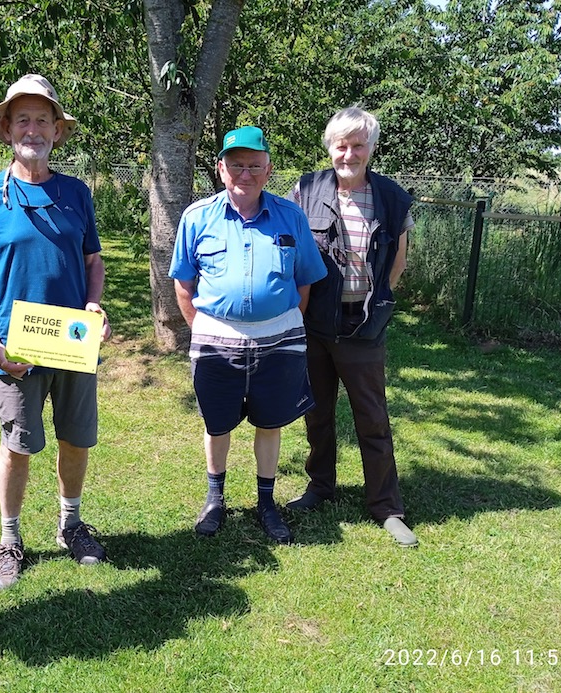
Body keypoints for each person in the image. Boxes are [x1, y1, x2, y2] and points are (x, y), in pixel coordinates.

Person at [0, 74, 110, 593]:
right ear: (7, 129)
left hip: (71, 340)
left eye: (42, 119)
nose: (33, 128)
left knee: (76, 438)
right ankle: (10, 539)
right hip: (15, 349)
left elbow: (94, 260)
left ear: (56, 131)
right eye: (22, 119)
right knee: (18, 444)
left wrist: (93, 303)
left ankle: (71, 523)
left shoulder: (75, 192)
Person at [169, 126, 327, 544]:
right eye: (236, 164)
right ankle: (215, 498)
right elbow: (184, 284)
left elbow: (305, 281)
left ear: (268, 169)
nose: (245, 173)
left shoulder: (291, 217)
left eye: (254, 165)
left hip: (279, 341)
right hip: (215, 341)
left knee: (270, 422)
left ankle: (266, 502)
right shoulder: (197, 217)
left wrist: (279, 322)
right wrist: (203, 329)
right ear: (221, 169)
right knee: (217, 424)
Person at [284, 106, 419, 548]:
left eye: (358, 144)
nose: (349, 153)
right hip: (315, 324)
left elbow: (397, 260)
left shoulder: (393, 198)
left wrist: (376, 300)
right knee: (316, 413)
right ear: (330, 148)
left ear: (372, 148)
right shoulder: (305, 190)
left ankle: (387, 507)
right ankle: (320, 487)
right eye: (341, 145)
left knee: (372, 419)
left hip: (363, 326)